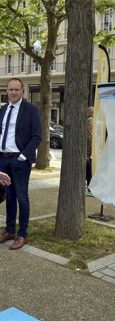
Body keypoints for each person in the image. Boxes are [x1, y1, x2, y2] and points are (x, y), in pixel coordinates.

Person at [0, 78, 41, 250]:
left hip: (20, 160)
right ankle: (10, 230)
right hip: (3, 159)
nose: (14, 92)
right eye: (11, 89)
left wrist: (23, 156)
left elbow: (37, 136)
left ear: (22, 91)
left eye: (17, 89)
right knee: (9, 197)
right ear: (7, 91)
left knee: (22, 198)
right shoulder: (3, 109)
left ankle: (23, 234)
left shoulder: (31, 110)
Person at [86, 106, 94, 194]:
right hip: (87, 156)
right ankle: (89, 188)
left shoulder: (91, 133)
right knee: (88, 172)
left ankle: (89, 188)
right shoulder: (87, 133)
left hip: (90, 155)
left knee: (89, 172)